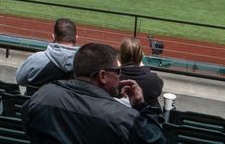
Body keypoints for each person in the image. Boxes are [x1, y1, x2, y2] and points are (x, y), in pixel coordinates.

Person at [22, 43, 166, 143]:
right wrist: (140, 105)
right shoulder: (124, 117)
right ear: (103, 76)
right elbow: (157, 139)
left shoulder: (43, 94)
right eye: (117, 71)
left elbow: (28, 125)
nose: (120, 76)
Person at [16, 18, 79, 89]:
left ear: (53, 36)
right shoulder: (84, 65)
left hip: (35, 99)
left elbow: (20, 80)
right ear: (76, 38)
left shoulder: (37, 58)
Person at [118, 38, 163, 106]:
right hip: (143, 114)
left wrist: (118, 67)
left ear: (120, 57)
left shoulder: (113, 78)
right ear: (141, 56)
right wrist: (145, 69)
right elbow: (158, 90)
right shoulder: (153, 79)